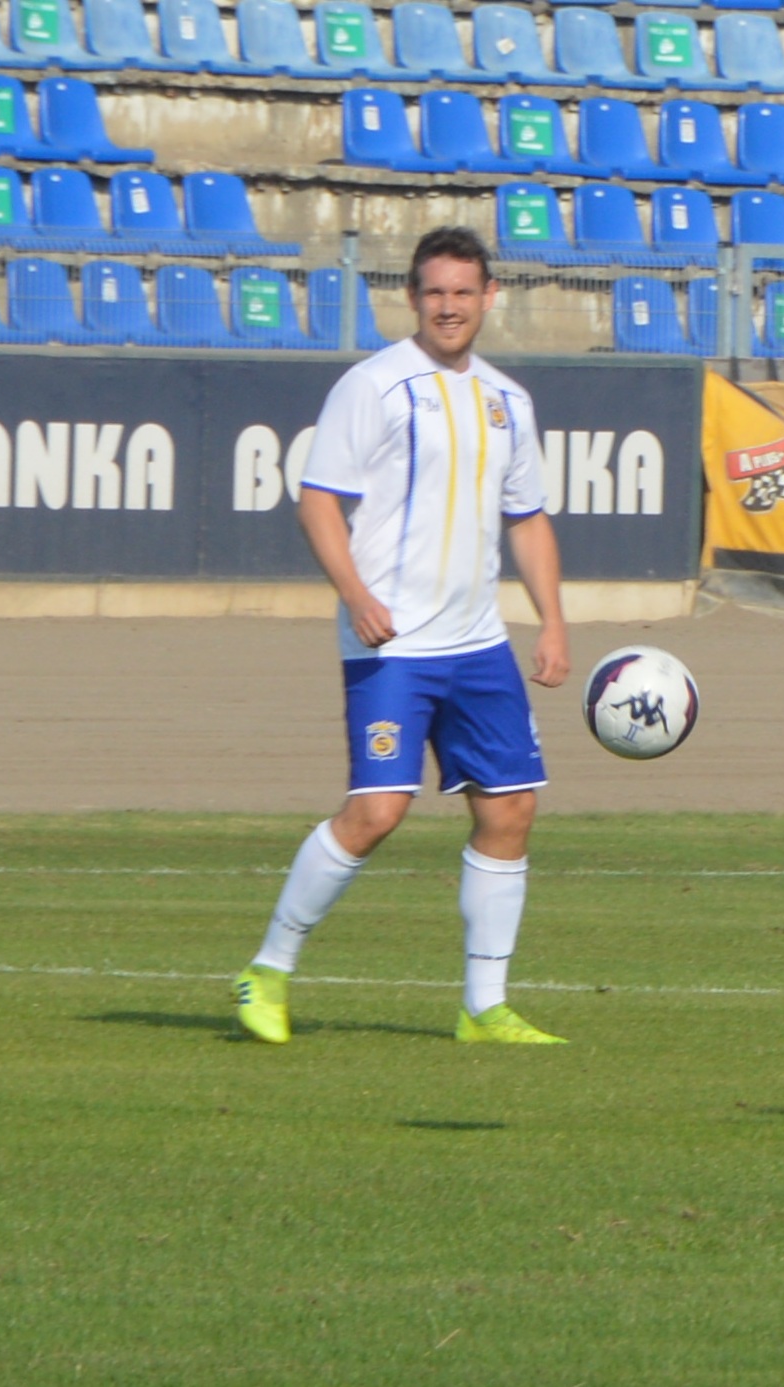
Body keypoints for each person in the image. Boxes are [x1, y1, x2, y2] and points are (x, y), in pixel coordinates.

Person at [231, 226, 571, 1046]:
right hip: (392, 644)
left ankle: (483, 1006)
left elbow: (527, 518)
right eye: (433, 292)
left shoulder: (507, 401)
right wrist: (355, 594)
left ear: (491, 296)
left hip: (478, 642)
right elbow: (318, 500)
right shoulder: (373, 385)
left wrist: (553, 622)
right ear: (411, 297)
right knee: (378, 810)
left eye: (463, 291)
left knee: (511, 810)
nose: (449, 306)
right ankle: (268, 969)